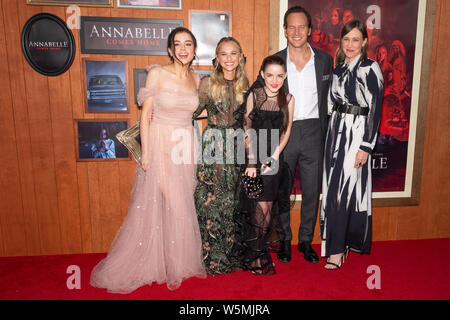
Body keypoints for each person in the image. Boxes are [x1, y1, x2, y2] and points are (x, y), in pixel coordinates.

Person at [90, 27, 206, 293]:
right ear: (169, 49)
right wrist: (147, 154)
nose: (183, 49)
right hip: (161, 144)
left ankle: (172, 262)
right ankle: (153, 263)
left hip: (185, 146)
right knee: (172, 205)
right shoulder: (157, 73)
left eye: (188, 44)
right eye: (177, 44)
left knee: (182, 203)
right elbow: (145, 115)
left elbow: (193, 115)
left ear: (194, 48)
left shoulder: (196, 79)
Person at [254, 6, 333, 264]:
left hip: (314, 131)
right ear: (285, 30)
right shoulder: (275, 61)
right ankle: (285, 240)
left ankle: (306, 241)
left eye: (302, 27)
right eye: (291, 27)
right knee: (282, 191)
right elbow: (258, 93)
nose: (297, 32)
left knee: (312, 191)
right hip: (283, 133)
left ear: (310, 30)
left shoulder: (324, 60)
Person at [320, 20, 384, 270]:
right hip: (335, 134)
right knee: (333, 191)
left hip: (357, 135)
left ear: (364, 42)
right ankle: (340, 244)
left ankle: (336, 250)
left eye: (355, 39)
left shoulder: (371, 68)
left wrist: (366, 146)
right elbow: (328, 106)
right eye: (346, 39)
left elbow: (376, 109)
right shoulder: (337, 71)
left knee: (343, 192)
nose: (350, 44)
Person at [193, 37, 249, 275]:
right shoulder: (207, 83)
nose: (228, 59)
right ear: (216, 57)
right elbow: (193, 112)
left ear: (240, 56)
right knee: (211, 202)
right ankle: (211, 259)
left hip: (236, 145)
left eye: (233, 53)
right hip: (213, 143)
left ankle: (229, 255)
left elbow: (248, 120)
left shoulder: (246, 84)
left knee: (232, 202)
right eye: (223, 54)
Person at [237, 55, 294, 275]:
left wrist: (275, 157)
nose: (274, 80)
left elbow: (286, 131)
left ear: (285, 76)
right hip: (253, 159)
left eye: (279, 75)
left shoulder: (288, 99)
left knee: (268, 208)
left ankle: (259, 253)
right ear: (262, 75)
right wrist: (252, 161)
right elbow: (246, 128)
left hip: (274, 161)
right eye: (270, 75)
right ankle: (254, 255)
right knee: (258, 208)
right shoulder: (255, 95)